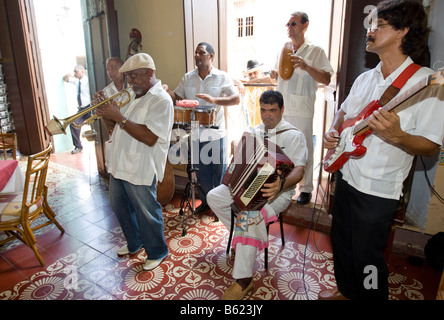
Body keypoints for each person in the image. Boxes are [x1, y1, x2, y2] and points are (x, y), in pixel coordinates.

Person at [321, 0, 444, 300]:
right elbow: (343, 111)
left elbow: (430, 145)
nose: (369, 30)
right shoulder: (366, 77)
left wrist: (398, 135)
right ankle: (347, 292)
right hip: (346, 176)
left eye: (378, 25)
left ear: (402, 30)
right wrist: (335, 129)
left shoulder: (425, 82)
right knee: (344, 245)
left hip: (378, 190)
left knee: (369, 260)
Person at [207, 90, 307, 300]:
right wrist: (236, 154)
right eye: (263, 110)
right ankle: (242, 240)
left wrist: (282, 185)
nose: (267, 115)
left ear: (282, 110)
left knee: (247, 217)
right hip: (247, 188)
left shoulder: (294, 135)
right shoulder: (255, 130)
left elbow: (299, 170)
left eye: (272, 110)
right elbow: (241, 161)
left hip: (277, 193)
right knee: (214, 196)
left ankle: (244, 280)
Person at [95, 53, 173, 271]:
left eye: (135, 76)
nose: (130, 82)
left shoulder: (161, 100)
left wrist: (119, 116)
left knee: (147, 211)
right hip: (120, 163)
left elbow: (149, 137)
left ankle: (157, 250)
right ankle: (135, 242)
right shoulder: (132, 94)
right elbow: (113, 126)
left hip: (141, 165)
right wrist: (104, 110)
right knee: (118, 205)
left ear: (150, 73)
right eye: (128, 77)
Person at [164, 42, 240, 215]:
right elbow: (178, 97)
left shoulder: (222, 77)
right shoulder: (188, 77)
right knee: (202, 173)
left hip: (216, 133)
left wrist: (215, 100)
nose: (197, 56)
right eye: (196, 53)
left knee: (218, 173)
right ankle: (206, 202)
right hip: (195, 134)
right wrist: (168, 90)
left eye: (201, 53)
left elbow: (236, 99)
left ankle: (222, 206)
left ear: (211, 56)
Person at [270, 11, 334, 205]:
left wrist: (307, 67)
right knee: (280, 148)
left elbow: (326, 78)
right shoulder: (284, 50)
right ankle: (281, 184)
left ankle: (306, 189)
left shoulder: (316, 51)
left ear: (305, 26)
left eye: (294, 24)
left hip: (302, 110)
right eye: (288, 24)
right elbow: (278, 77)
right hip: (281, 110)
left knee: (304, 149)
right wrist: (274, 74)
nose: (289, 28)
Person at [63, 65, 91, 154]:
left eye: (76, 71)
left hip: (89, 107)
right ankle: (78, 146)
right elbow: (66, 79)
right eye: (74, 72)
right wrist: (68, 75)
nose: (75, 73)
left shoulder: (87, 81)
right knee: (74, 124)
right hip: (82, 109)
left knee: (97, 125)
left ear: (82, 72)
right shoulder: (77, 81)